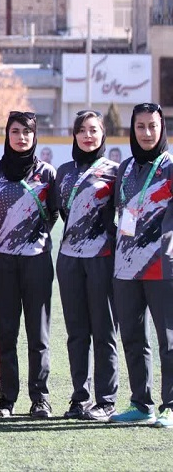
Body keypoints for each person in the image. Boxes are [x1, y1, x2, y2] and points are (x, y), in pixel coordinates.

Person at [0, 111, 58, 418]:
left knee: (37, 335)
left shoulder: (47, 173)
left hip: (37, 262)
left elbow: (53, 212)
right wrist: (10, 237)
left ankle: (40, 398)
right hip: (2, 263)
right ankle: (6, 399)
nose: (21, 137)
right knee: (6, 334)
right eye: (15, 131)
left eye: (27, 132)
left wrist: (31, 239)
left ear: (34, 135)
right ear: (7, 135)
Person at [110, 103, 173, 428]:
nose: (147, 133)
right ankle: (141, 403)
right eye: (140, 127)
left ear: (162, 128)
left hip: (163, 268)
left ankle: (171, 405)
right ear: (132, 130)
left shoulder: (170, 165)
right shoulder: (125, 168)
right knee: (133, 337)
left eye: (153, 126)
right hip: (126, 268)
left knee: (169, 339)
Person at [53, 110, 119, 421]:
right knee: (77, 332)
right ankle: (80, 397)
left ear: (103, 134)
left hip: (103, 260)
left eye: (93, 130)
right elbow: (58, 213)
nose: (88, 135)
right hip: (69, 261)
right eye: (82, 130)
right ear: (75, 135)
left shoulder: (115, 171)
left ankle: (105, 400)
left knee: (104, 331)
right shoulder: (64, 171)